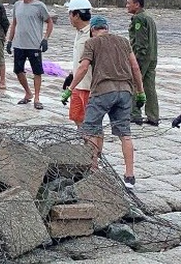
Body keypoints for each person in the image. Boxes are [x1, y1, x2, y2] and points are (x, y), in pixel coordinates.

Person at [62, 16, 145, 189]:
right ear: (106, 28)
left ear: (92, 30)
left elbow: (83, 68)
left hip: (102, 91)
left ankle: (93, 168)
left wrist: (70, 88)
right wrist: (140, 92)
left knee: (91, 130)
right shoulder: (123, 41)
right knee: (125, 134)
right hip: (125, 92)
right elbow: (135, 67)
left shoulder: (91, 43)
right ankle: (130, 176)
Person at [5, 0, 53, 109]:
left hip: (34, 45)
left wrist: (45, 39)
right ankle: (28, 93)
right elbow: (14, 23)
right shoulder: (17, 5)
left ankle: (37, 98)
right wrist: (9, 41)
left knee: (37, 72)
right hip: (19, 44)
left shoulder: (39, 6)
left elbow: (49, 22)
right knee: (18, 71)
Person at [126, 0, 158, 126]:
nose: (126, 6)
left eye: (129, 3)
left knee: (135, 83)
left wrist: (137, 59)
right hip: (152, 56)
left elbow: (140, 41)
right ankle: (153, 116)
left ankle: (135, 114)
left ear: (137, 4)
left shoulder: (138, 19)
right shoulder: (149, 18)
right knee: (150, 86)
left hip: (143, 57)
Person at [63, 0, 93, 126]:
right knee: (77, 118)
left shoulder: (92, 34)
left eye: (70, 14)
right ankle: (83, 143)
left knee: (91, 123)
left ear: (76, 15)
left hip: (88, 87)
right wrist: (71, 75)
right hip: (76, 85)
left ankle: (93, 146)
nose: (69, 17)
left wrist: (70, 88)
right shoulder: (79, 33)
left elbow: (87, 65)